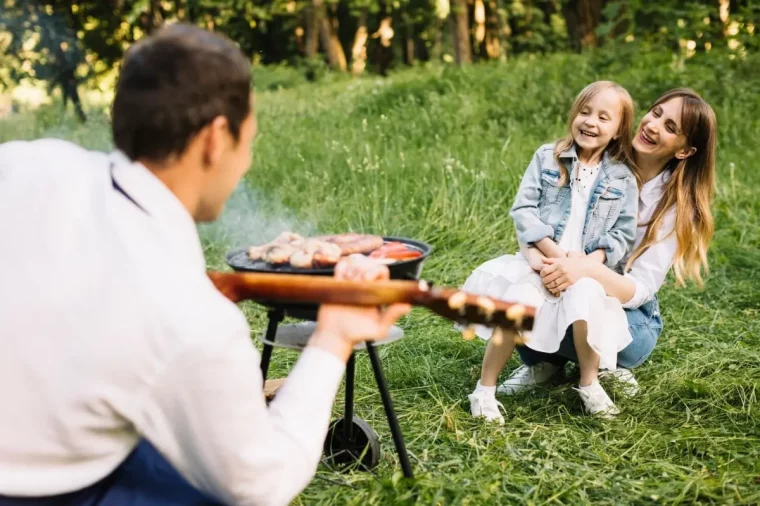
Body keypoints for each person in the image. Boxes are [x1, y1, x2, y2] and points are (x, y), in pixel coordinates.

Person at [0, 24, 409, 505]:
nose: (247, 162)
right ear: (216, 138)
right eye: (248, 140)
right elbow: (259, 483)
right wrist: (334, 337)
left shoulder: (28, 162)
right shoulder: (192, 317)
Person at [503, 88, 717, 418]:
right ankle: (545, 363)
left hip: (623, 305)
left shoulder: (675, 207)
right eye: (656, 113)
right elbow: (536, 216)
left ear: (685, 150)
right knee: (517, 293)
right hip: (561, 277)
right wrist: (541, 259)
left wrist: (584, 270)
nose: (654, 126)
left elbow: (641, 288)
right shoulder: (594, 157)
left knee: (625, 340)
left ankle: (603, 363)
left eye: (671, 127)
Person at [462, 81, 640, 424]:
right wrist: (545, 254)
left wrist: (589, 264)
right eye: (585, 112)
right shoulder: (549, 156)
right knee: (515, 307)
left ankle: (588, 384)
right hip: (542, 259)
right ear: (573, 114)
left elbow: (622, 234)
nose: (590, 122)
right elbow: (524, 209)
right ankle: (484, 390)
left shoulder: (623, 177)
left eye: (604, 117)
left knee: (586, 302)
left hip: (586, 267)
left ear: (618, 131)